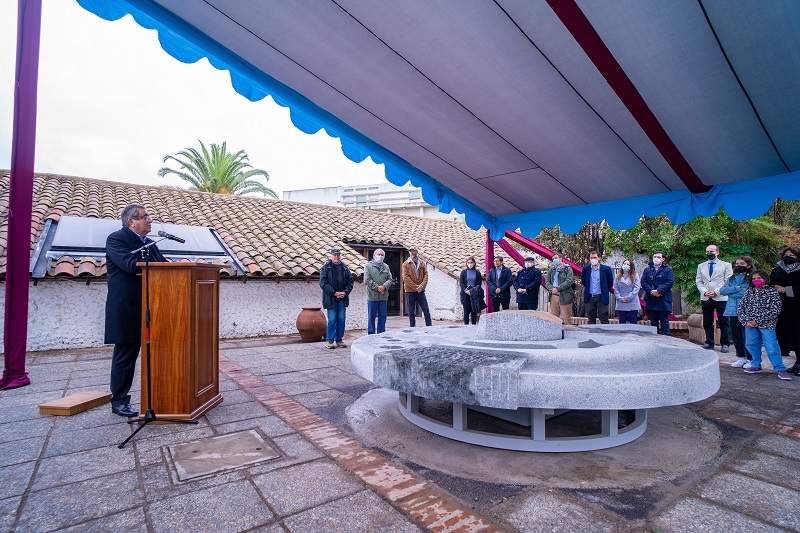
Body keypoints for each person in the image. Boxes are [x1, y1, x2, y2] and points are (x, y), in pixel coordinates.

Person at [105, 203, 167, 417]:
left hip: (153, 306)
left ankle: (162, 395)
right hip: (127, 307)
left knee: (159, 352)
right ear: (131, 221)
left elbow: (165, 268)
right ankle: (119, 400)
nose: (149, 221)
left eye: (149, 217)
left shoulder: (150, 243)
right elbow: (131, 265)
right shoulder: (116, 239)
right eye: (144, 217)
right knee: (126, 355)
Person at [739, 270, 791, 380]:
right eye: (753, 279)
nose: (756, 281)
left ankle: (780, 368)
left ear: (765, 279)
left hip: (767, 324)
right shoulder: (749, 291)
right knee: (751, 344)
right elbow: (741, 307)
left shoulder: (772, 292)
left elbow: (775, 309)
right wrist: (746, 321)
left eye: (759, 278)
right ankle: (755, 364)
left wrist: (758, 320)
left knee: (771, 346)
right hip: (750, 324)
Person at [696, 244, 733, 352]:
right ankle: (709, 342)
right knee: (707, 321)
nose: (709, 253)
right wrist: (705, 291)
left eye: (711, 251)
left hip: (721, 297)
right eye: (707, 251)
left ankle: (725, 344)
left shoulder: (726, 265)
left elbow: (728, 281)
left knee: (724, 321)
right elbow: (699, 281)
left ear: (717, 252)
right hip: (706, 297)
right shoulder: (701, 266)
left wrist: (716, 292)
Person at [770, 246, 800, 375]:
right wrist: (775, 287)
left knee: (798, 335)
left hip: (797, 308)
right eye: (786, 254)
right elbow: (769, 283)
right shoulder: (777, 270)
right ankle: (796, 362)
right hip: (781, 307)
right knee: (786, 335)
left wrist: (787, 290)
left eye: (792, 255)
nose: (788, 256)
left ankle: (799, 363)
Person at [720, 256, 754, 368]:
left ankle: (751, 359)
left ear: (748, 265)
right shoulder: (732, 278)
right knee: (736, 336)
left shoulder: (752, 277)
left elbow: (748, 292)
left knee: (748, 336)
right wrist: (737, 288)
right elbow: (723, 290)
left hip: (746, 311)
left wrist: (732, 291)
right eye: (737, 263)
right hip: (732, 310)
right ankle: (741, 357)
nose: (738, 265)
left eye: (742, 264)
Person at [319, 247, 354, 348]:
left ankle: (339, 340)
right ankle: (329, 341)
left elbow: (350, 282)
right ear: (331, 256)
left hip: (342, 299)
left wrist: (345, 292)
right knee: (332, 320)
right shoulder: (326, 268)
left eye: (338, 255)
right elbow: (323, 283)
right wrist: (334, 293)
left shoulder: (345, 268)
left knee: (341, 320)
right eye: (335, 255)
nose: (336, 257)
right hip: (331, 299)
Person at [640, 251, 674, 335]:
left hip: (663, 300)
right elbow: (643, 282)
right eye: (654, 256)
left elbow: (670, 282)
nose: (656, 258)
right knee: (653, 323)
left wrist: (658, 291)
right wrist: (651, 291)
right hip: (652, 300)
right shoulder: (647, 270)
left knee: (664, 322)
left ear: (663, 259)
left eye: (658, 257)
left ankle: (666, 342)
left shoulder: (668, 270)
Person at [364, 248, 393, 334]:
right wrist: (377, 288)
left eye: (382, 255)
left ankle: (381, 333)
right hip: (372, 296)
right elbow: (367, 280)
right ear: (374, 256)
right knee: (371, 317)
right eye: (378, 255)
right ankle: (371, 334)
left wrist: (384, 286)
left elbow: (390, 279)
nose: (380, 256)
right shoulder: (368, 266)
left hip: (383, 296)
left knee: (382, 317)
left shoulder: (386, 267)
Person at [401, 246, 432, 327]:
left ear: (417, 252)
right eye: (411, 251)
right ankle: (412, 328)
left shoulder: (422, 263)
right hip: (410, 291)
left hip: (421, 291)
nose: (412, 253)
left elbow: (426, 275)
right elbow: (406, 278)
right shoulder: (405, 264)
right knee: (411, 311)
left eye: (414, 251)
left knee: (426, 309)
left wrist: (422, 286)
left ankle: (429, 326)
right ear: (409, 253)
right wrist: (416, 287)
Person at [580, 251, 614, 324]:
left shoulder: (606, 269)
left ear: (599, 258)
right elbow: (584, 281)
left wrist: (604, 290)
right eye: (591, 258)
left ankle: (605, 335)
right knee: (591, 320)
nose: (593, 259)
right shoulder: (586, 269)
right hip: (589, 297)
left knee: (604, 319)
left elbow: (610, 282)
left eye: (595, 257)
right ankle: (592, 335)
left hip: (601, 297)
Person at [544, 252, 574, 324]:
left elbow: (569, 281)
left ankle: (569, 334)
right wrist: (552, 289)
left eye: (556, 258)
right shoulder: (551, 270)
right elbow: (547, 282)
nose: (554, 260)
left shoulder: (568, 269)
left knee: (567, 319)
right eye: (553, 259)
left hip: (564, 296)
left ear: (561, 258)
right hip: (553, 296)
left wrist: (558, 289)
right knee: (554, 319)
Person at [613, 258, 641, 324]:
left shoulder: (635, 275)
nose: (625, 265)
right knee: (622, 323)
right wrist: (620, 298)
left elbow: (636, 288)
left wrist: (628, 298)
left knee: (633, 322)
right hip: (621, 302)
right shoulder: (617, 276)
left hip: (632, 302)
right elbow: (615, 288)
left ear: (631, 266)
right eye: (624, 264)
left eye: (627, 264)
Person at [459, 256, 485, 324]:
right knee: (466, 310)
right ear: (466, 263)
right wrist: (466, 290)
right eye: (468, 262)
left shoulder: (477, 272)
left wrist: (473, 291)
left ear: (474, 263)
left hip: (474, 293)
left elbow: (479, 283)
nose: (470, 264)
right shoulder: (463, 272)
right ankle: (466, 325)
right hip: (465, 294)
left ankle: (474, 324)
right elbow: (461, 283)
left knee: (474, 310)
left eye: (471, 262)